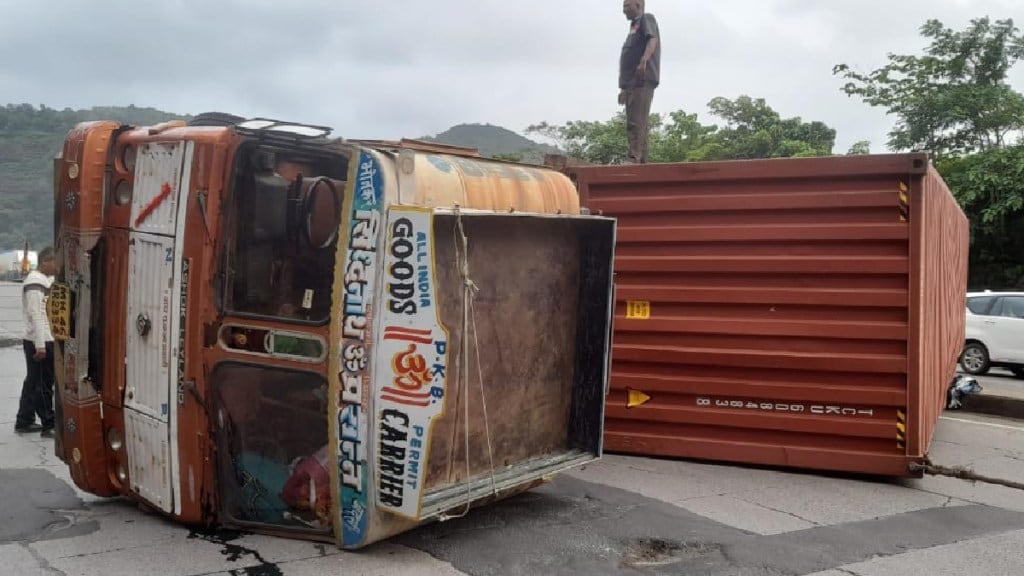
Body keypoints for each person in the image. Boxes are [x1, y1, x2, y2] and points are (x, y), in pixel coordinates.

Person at [15, 246, 57, 436]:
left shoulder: (43, 280)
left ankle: (24, 419)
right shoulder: (34, 282)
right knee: (43, 383)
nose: (57, 267)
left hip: (38, 337)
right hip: (39, 339)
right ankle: (48, 424)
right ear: (45, 261)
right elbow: (36, 315)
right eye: (55, 262)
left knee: (33, 381)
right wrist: (41, 345)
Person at [618, 0, 661, 164]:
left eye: (626, 6)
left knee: (637, 121)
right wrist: (623, 87)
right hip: (631, 83)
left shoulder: (646, 19)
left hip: (642, 79)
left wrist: (644, 61)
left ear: (638, 5)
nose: (624, 11)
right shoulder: (633, 27)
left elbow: (652, 40)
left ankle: (634, 158)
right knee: (636, 120)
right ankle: (641, 159)